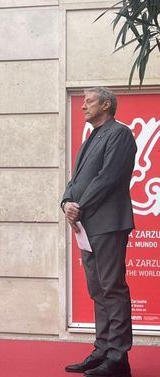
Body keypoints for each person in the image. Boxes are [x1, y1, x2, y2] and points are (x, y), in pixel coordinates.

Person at [63, 88, 136, 377]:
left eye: (89, 101)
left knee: (112, 288)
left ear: (106, 104)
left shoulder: (119, 134)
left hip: (108, 223)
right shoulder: (92, 136)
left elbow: (109, 178)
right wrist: (66, 202)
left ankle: (118, 358)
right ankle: (103, 349)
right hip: (87, 224)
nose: (83, 107)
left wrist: (79, 205)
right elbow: (76, 179)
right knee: (97, 290)